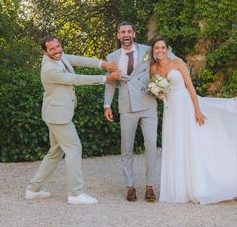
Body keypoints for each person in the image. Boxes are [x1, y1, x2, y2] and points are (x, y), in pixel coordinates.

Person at [150, 36, 237, 204]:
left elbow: (190, 87)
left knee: (190, 142)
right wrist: (158, 94)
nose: (160, 51)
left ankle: (196, 186)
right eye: (156, 48)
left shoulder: (178, 63)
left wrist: (197, 110)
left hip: (185, 105)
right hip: (170, 109)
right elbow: (158, 88)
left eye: (162, 48)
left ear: (167, 49)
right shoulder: (153, 68)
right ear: (153, 51)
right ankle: (176, 189)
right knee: (174, 143)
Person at [25, 35, 119, 204]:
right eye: (52, 49)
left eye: (58, 46)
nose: (56, 50)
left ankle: (33, 189)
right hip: (57, 116)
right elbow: (76, 79)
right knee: (74, 149)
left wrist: (101, 64)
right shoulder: (49, 69)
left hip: (56, 113)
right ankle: (75, 194)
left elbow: (79, 59)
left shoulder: (61, 57)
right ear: (45, 52)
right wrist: (105, 78)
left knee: (55, 152)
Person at [103, 21, 174, 202]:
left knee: (151, 144)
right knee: (126, 148)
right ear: (118, 35)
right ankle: (130, 186)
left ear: (134, 34)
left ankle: (150, 187)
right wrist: (107, 105)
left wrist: (170, 77)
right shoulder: (111, 57)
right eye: (122, 32)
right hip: (126, 106)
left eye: (129, 31)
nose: (126, 34)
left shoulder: (147, 50)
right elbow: (110, 82)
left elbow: (167, 57)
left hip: (148, 103)